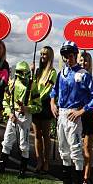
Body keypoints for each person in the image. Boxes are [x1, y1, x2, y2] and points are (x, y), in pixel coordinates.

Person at [50, 41, 93, 184]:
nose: (68, 59)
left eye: (71, 55)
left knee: (76, 151)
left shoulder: (83, 74)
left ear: (76, 55)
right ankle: (66, 182)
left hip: (73, 115)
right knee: (63, 149)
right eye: (65, 56)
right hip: (61, 115)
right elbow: (54, 90)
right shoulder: (61, 73)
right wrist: (52, 103)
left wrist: (82, 111)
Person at [0, 61, 40, 178]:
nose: (23, 76)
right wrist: (9, 113)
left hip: (25, 117)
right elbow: (5, 101)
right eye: (20, 73)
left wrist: (27, 108)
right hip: (13, 116)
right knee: (7, 141)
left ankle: (22, 171)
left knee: (24, 144)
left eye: (25, 73)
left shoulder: (32, 85)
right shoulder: (12, 83)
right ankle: (1, 167)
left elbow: (38, 107)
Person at [31, 46, 57, 174]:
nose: (42, 56)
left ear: (49, 56)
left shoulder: (52, 72)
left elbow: (49, 90)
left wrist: (38, 100)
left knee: (46, 136)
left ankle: (46, 162)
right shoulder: (37, 71)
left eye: (45, 54)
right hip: (36, 106)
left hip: (45, 106)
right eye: (41, 54)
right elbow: (33, 87)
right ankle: (39, 161)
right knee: (37, 135)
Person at [78, 51, 93, 184]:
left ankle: (86, 175)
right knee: (75, 147)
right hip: (75, 116)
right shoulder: (74, 79)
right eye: (81, 60)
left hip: (88, 116)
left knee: (87, 147)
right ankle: (76, 173)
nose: (83, 63)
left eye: (86, 61)